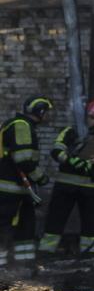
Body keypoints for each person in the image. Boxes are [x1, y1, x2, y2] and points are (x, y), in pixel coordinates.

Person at [40, 100, 94, 255]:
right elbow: (56, 150)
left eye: (93, 118)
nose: (90, 120)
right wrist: (70, 160)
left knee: (90, 222)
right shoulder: (70, 132)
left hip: (91, 189)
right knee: (56, 218)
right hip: (66, 186)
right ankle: (47, 250)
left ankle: (88, 250)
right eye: (88, 117)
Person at [0, 97, 53, 266]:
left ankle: (23, 265)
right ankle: (2, 267)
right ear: (40, 111)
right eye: (47, 112)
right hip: (9, 190)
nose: (49, 116)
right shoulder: (21, 125)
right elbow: (23, 159)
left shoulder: (23, 125)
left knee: (26, 226)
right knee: (4, 226)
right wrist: (41, 178)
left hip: (20, 190)